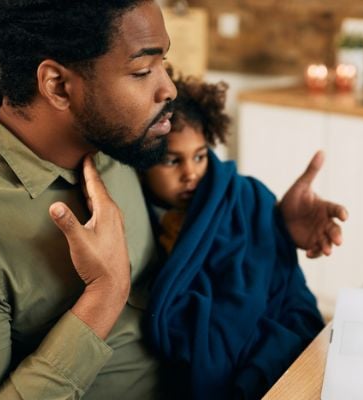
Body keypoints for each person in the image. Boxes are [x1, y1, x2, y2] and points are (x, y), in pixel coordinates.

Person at [0, 1, 346, 398]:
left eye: (163, 62)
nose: (169, 88)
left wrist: (266, 225)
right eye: (142, 69)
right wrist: (104, 296)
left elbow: (191, 217)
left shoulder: (120, 142)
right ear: (57, 85)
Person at [139, 72, 331, 399]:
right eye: (173, 161)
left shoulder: (241, 196)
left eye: (200, 156)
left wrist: (281, 225)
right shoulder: (145, 215)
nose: (191, 174)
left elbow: (269, 272)